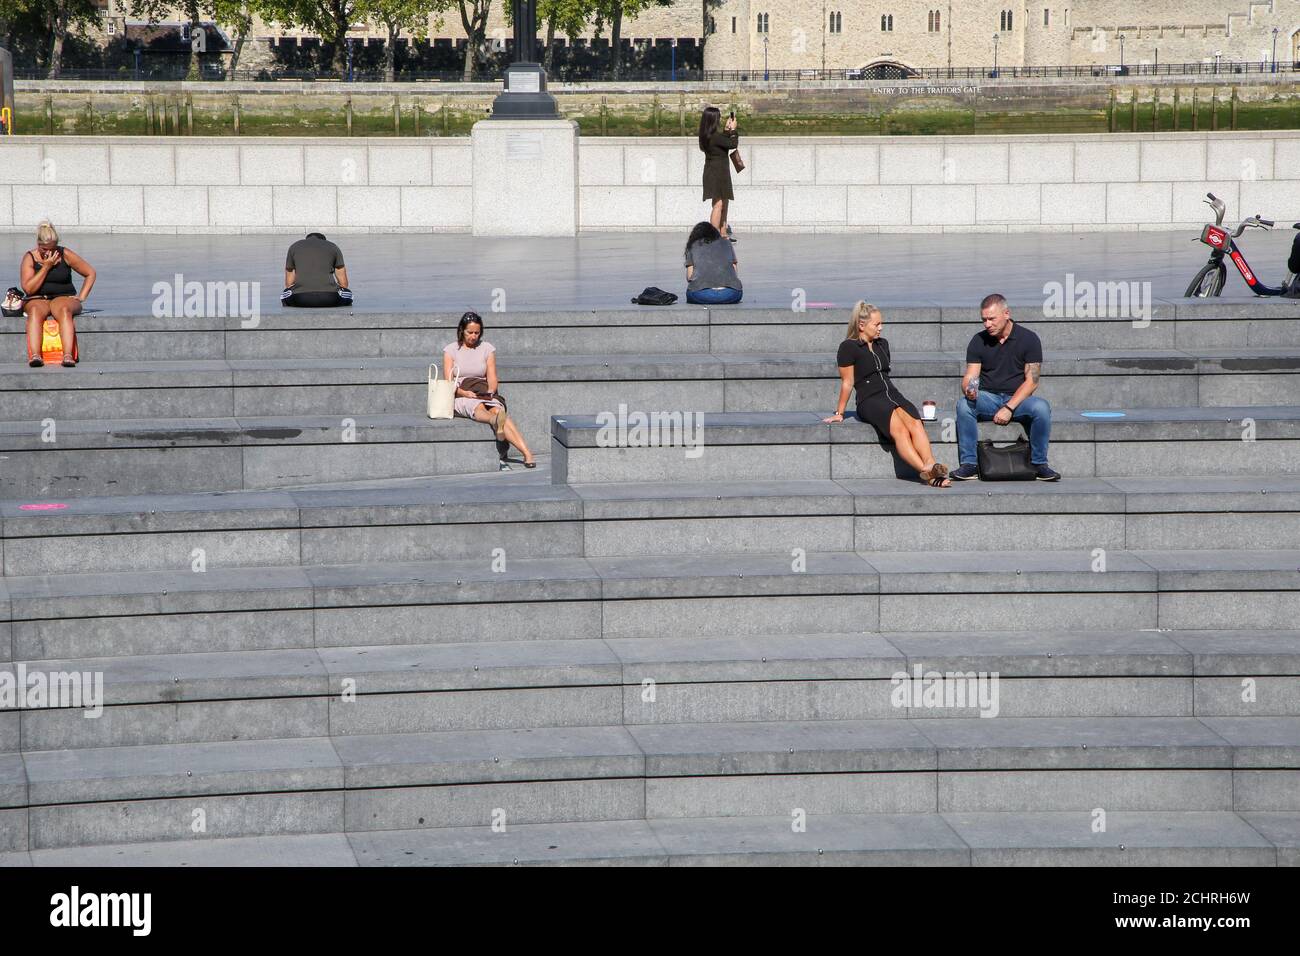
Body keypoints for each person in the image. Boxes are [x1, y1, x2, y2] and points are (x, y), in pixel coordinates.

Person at [825, 302, 951, 487]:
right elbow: (848, 382)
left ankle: (930, 462)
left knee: (915, 422)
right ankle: (929, 475)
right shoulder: (848, 347)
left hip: (891, 393)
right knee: (899, 430)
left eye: (881, 324)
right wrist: (840, 413)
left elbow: (885, 372)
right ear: (861, 325)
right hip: (869, 399)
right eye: (876, 324)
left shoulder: (882, 344)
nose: (880, 328)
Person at [951, 293, 1060, 481]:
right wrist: (969, 388)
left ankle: (1039, 463)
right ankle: (969, 464)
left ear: (1006, 314)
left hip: (1017, 399)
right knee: (963, 405)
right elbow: (971, 375)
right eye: (984, 319)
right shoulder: (978, 340)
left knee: (1041, 407)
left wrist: (1009, 408)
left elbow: (1032, 381)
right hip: (988, 397)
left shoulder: (1029, 339)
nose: (987, 324)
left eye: (991, 319)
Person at [443, 312, 536, 469]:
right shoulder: (451, 350)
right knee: (477, 406)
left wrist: (491, 391)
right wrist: (464, 393)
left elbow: (492, 377)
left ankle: (527, 453)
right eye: (470, 332)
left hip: (482, 389)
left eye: (477, 333)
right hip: (460, 392)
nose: (473, 336)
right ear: (461, 331)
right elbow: (448, 381)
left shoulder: (487, 349)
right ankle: (496, 423)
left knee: (498, 411)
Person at [20, 220, 95, 367]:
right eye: (44, 249)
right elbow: (28, 289)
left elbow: (90, 273)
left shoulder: (64, 253)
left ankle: (67, 355)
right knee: (34, 311)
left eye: (52, 249)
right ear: (38, 244)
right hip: (38, 298)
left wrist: (82, 296)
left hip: (63, 296)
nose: (49, 253)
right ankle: (35, 355)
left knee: (64, 311)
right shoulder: (30, 257)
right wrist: (46, 267)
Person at [698, 106, 738, 242]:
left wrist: (727, 130)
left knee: (724, 202)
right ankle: (713, 235)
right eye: (719, 118)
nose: (720, 120)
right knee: (718, 204)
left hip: (719, 172)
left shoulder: (708, 136)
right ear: (713, 120)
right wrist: (733, 130)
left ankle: (723, 232)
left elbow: (723, 144)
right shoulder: (713, 137)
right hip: (716, 173)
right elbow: (732, 144)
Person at [281, 232, 353, 308]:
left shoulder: (294, 247)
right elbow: (344, 283)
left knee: (284, 294)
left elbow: (289, 283)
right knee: (348, 294)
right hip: (330, 298)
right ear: (324, 241)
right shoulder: (333, 246)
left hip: (300, 299)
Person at [683, 222, 742, 305]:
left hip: (702, 295)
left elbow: (690, 277)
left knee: (690, 292)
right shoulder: (727, 243)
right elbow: (734, 272)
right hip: (731, 294)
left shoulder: (693, 245)